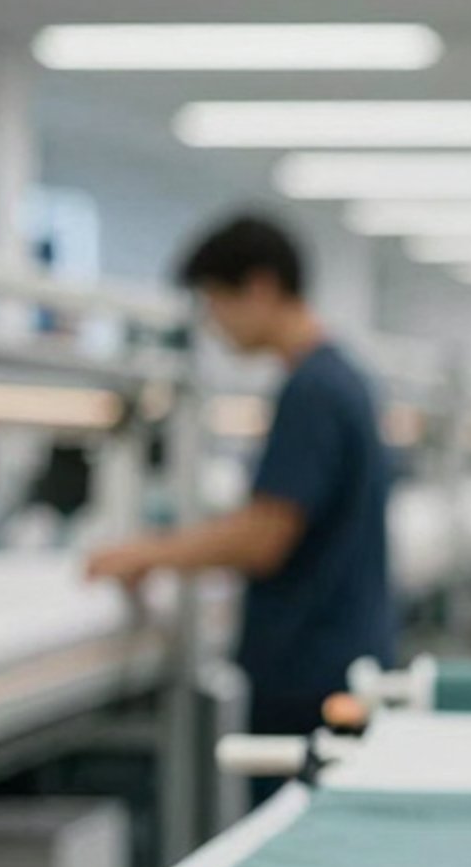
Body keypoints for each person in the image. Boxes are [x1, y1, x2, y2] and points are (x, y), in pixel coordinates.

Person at [85, 214, 393, 742]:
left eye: (214, 302)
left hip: (311, 674)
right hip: (338, 658)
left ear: (260, 287)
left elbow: (265, 536)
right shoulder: (340, 378)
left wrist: (148, 553)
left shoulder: (312, 390)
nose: (213, 324)